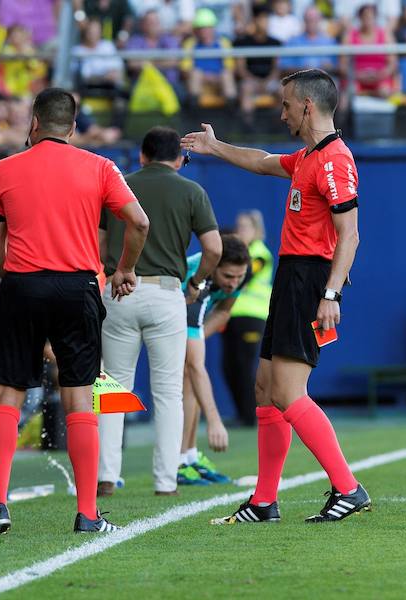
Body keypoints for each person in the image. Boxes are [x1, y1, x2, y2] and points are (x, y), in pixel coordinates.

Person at [182, 68, 371, 523]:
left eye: (286, 104)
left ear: (308, 105)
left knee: (288, 393)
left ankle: (348, 488)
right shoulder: (309, 155)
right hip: (292, 278)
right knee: (265, 389)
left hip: (309, 282)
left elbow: (350, 236)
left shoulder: (334, 160)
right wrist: (216, 146)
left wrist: (331, 295)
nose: (281, 111)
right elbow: (264, 160)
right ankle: (265, 501)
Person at [0, 88, 149, 535]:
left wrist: (17, 276)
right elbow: (140, 221)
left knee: (8, 394)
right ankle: (88, 513)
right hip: (78, 286)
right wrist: (124, 269)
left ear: (33, 121)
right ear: (73, 127)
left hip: (21, 284)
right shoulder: (100, 166)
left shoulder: (4, 169)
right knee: (79, 396)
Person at [97, 126, 221, 499]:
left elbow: (101, 244)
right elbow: (213, 248)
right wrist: (197, 282)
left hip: (119, 290)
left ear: (141, 155)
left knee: (113, 387)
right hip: (167, 293)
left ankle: (105, 475)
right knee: (168, 392)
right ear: (180, 159)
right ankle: (166, 480)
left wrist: (113, 271)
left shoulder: (118, 186)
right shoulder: (192, 190)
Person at [177, 234, 250, 487]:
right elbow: (196, 365)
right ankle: (178, 462)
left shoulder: (239, 274)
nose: (234, 283)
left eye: (239, 277)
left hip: (189, 322)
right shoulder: (196, 280)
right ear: (214, 265)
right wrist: (215, 422)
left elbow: (224, 311)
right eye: (228, 276)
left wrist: (198, 340)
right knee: (190, 374)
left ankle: (189, 456)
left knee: (191, 376)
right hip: (155, 316)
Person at [223, 210, 273, 426]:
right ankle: (242, 413)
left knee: (245, 366)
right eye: (238, 227)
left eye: (245, 227)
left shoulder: (260, 254)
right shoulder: (238, 253)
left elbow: (246, 275)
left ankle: (251, 416)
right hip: (231, 316)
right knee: (229, 366)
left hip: (253, 316)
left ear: (256, 230)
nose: (240, 231)